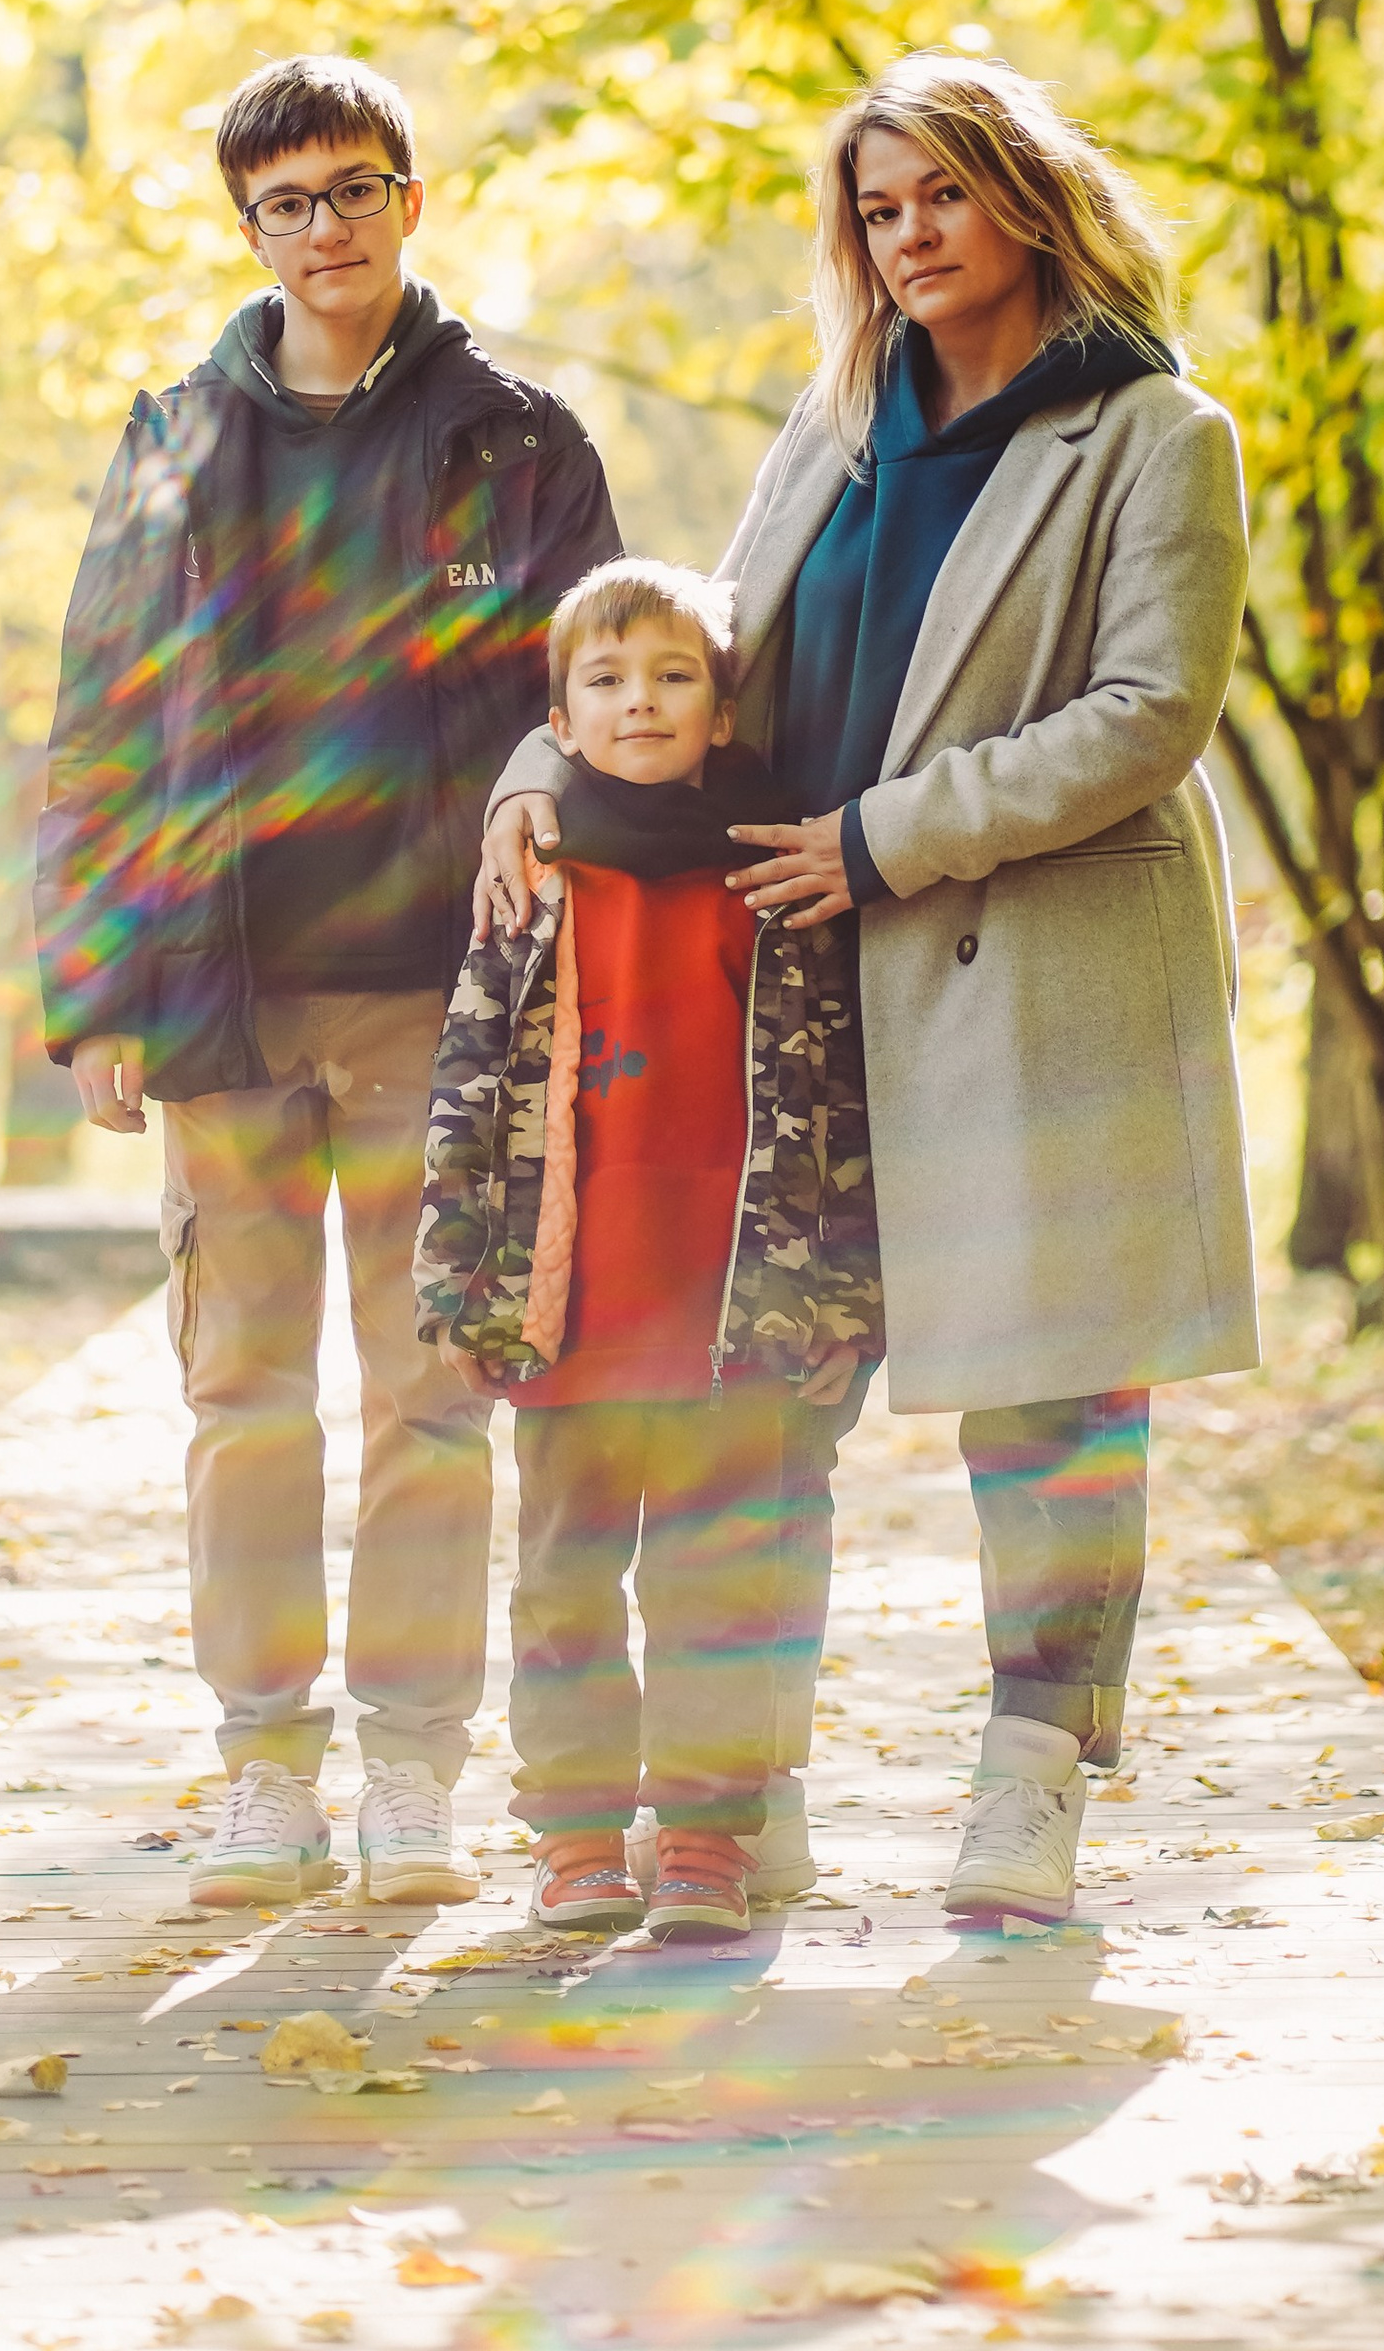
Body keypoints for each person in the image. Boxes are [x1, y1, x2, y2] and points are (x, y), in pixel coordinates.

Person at [480, 52, 1254, 1930]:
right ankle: (745, 1799)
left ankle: (1031, 1785)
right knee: (765, 1401)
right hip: (793, 987)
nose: (905, 238)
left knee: (1053, 1408)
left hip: (1031, 965)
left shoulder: (1154, 433)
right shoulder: (831, 428)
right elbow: (702, 660)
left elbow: (1152, 713)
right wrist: (540, 768)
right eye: (877, 208)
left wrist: (894, 837)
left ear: (1029, 199)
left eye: (941, 199)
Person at [39, 55, 620, 1910]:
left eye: (353, 190)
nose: (323, 228)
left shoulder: (521, 441)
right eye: (285, 202)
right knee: (245, 1396)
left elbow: (597, 708)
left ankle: (414, 1777)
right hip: (222, 994)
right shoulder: (173, 441)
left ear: (411, 201)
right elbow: (103, 726)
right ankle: (265, 1768)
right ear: (249, 230)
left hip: (447, 1008)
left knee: (435, 1397)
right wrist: (100, 988)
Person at [415, 558, 880, 1941]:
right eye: (607, 681)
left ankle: (703, 1840)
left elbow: (833, 1096)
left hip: (731, 1313)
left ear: (721, 712)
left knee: (715, 1580)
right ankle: (571, 1838)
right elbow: (467, 1083)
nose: (641, 704)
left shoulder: (773, 877)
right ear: (558, 719)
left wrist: (841, 1289)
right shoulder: (533, 881)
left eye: (675, 677)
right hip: (573, 1310)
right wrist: (458, 1281)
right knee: (564, 1581)